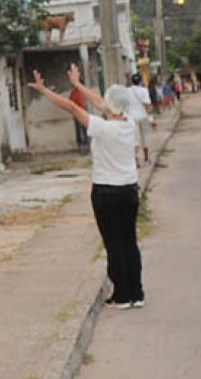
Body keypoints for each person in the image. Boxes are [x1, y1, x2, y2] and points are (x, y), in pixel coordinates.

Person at [27, 64, 144, 310]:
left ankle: (122, 295)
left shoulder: (102, 128)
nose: (100, 104)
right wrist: (78, 85)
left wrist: (43, 89)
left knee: (114, 244)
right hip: (129, 191)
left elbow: (71, 107)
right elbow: (102, 102)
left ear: (109, 106)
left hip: (106, 192)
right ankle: (136, 292)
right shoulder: (129, 123)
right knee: (129, 241)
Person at [127, 73, 156, 166]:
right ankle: (146, 159)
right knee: (145, 137)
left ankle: (135, 159)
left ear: (132, 81)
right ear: (140, 81)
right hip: (143, 117)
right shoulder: (144, 90)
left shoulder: (127, 91)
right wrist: (151, 119)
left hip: (132, 118)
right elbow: (148, 106)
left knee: (135, 139)